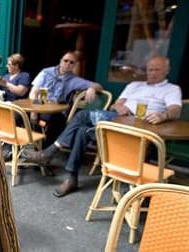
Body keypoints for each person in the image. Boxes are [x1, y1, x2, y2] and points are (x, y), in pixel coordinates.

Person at [24, 56, 182, 197]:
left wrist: (163, 115)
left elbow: (175, 110)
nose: (152, 73)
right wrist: (119, 106)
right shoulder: (135, 85)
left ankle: (53, 155)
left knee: (82, 121)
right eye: (150, 69)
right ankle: (70, 176)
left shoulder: (172, 89)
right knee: (81, 126)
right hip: (119, 119)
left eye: (157, 69)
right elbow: (117, 103)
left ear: (167, 70)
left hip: (143, 127)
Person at [29, 51, 102, 145]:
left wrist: (91, 88)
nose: (68, 64)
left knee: (54, 120)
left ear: (74, 65)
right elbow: (34, 92)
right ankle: (14, 147)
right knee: (18, 114)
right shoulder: (46, 72)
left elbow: (99, 86)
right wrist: (33, 111)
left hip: (56, 111)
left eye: (71, 62)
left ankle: (44, 150)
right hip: (38, 105)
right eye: (66, 60)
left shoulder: (74, 80)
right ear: (60, 61)